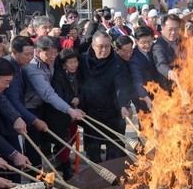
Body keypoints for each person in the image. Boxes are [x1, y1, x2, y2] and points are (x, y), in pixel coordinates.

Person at [24, 36, 85, 166]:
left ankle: (53, 163)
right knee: (33, 143)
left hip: (44, 106)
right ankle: (35, 174)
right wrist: (69, 109)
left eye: (55, 53)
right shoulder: (32, 68)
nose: (53, 57)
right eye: (49, 54)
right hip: (30, 107)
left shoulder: (53, 62)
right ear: (38, 51)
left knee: (50, 137)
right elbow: (48, 93)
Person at [79, 31, 131, 163]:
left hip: (113, 110)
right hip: (90, 111)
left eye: (107, 46)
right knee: (93, 149)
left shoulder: (117, 62)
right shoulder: (83, 60)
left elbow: (122, 87)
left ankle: (114, 175)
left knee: (114, 148)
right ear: (93, 45)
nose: (104, 50)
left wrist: (124, 105)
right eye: (101, 46)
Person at [46, 48, 83, 179]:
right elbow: (58, 96)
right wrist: (71, 103)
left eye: (75, 62)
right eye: (70, 63)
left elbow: (82, 89)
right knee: (65, 141)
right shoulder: (58, 76)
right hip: (60, 114)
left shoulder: (78, 74)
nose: (74, 65)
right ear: (63, 64)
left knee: (72, 137)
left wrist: (79, 98)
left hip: (73, 113)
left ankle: (61, 159)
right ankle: (66, 169)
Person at [128, 26, 162, 114]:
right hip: (142, 96)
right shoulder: (133, 58)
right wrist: (146, 97)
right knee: (146, 124)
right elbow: (137, 80)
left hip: (160, 94)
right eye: (143, 42)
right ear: (136, 41)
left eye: (149, 41)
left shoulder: (156, 49)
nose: (147, 45)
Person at [152, 14, 183, 91]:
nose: (173, 32)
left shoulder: (182, 41)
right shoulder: (158, 46)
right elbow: (160, 64)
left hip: (184, 82)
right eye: (170, 29)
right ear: (162, 28)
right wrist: (169, 72)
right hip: (168, 87)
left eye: (176, 29)